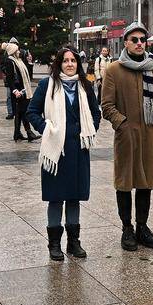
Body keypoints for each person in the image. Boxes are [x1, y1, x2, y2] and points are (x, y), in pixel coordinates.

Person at [99, 21, 153, 251]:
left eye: (143, 40)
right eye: (135, 40)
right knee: (125, 183)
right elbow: (107, 105)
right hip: (127, 136)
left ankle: (142, 226)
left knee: (146, 182)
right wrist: (122, 124)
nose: (140, 44)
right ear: (126, 42)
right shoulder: (114, 70)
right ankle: (127, 228)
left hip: (151, 135)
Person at [26, 45, 101, 261]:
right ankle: (54, 244)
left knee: (74, 198)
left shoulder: (85, 86)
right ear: (59, 64)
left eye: (73, 61)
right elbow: (32, 111)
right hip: (56, 153)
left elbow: (96, 113)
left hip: (78, 151)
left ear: (78, 63)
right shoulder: (47, 85)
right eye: (65, 61)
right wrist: (47, 130)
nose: (70, 64)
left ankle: (74, 242)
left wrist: (89, 128)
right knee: (56, 198)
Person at [1, 40, 39, 141]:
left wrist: (30, 64)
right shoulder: (10, 61)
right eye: (17, 50)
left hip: (24, 90)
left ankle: (17, 134)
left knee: (20, 113)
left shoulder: (19, 61)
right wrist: (14, 91)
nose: (19, 52)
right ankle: (29, 133)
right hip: (18, 92)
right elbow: (9, 78)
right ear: (13, 52)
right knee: (23, 112)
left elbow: (27, 76)